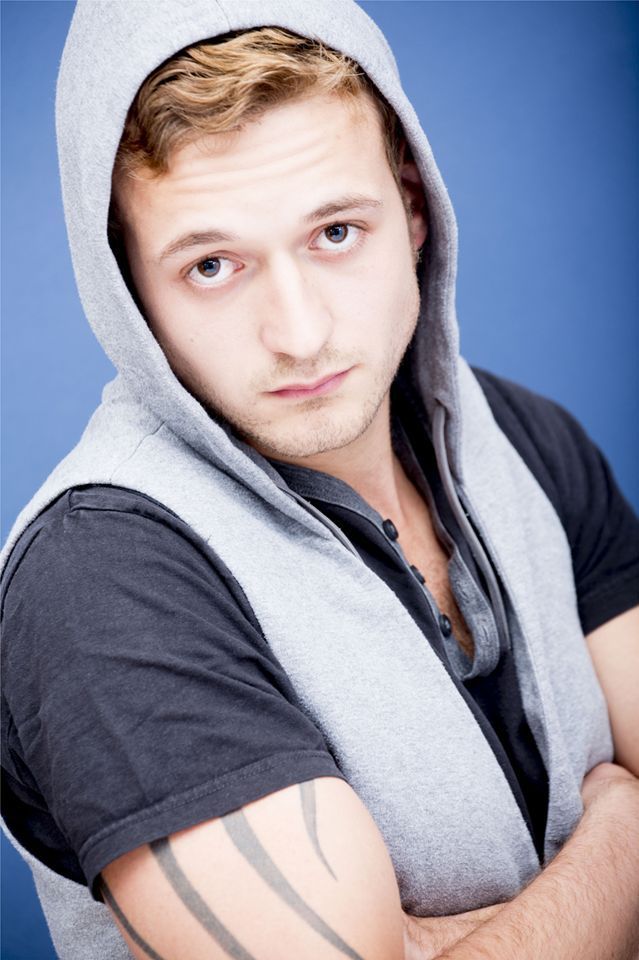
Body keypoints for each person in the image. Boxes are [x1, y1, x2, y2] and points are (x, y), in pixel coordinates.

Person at [1, 1, 638, 958]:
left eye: (336, 232)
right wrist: (622, 829)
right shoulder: (97, 576)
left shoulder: (524, 440)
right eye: (212, 265)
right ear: (127, 289)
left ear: (412, 209)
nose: (298, 333)